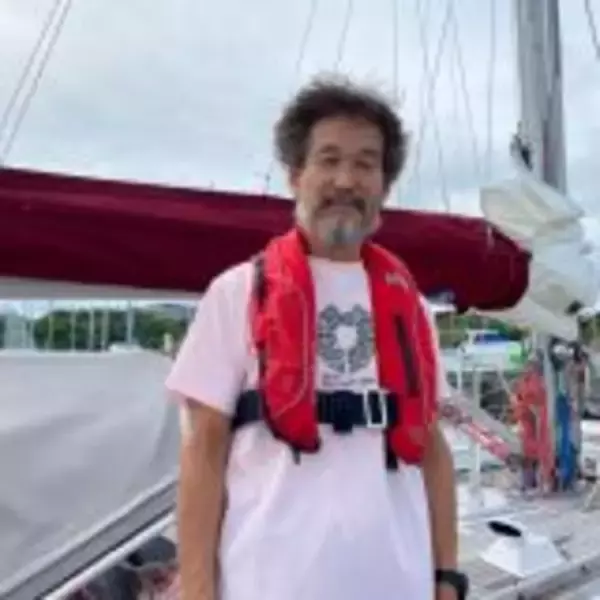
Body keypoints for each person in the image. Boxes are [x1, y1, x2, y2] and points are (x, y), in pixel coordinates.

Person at [166, 76, 467, 600]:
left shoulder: (413, 309)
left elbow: (433, 451)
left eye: (366, 164)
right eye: (329, 160)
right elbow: (203, 448)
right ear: (295, 175)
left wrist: (447, 575)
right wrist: (196, 588)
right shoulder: (237, 292)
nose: (346, 180)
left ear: (384, 185)